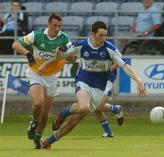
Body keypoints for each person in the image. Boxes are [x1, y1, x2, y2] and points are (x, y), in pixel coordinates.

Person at [11, 12, 121, 149]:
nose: (57, 29)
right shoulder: (37, 34)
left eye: (60, 26)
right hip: (36, 72)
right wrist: (27, 53)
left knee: (45, 115)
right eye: (55, 26)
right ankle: (33, 123)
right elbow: (15, 44)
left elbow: (73, 58)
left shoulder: (64, 38)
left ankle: (37, 140)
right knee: (38, 102)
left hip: (52, 77)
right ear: (49, 24)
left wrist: (63, 53)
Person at [39, 21, 147, 149]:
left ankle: (49, 141)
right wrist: (52, 58)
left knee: (76, 120)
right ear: (93, 34)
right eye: (100, 35)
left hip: (99, 87)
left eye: (105, 35)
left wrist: (139, 81)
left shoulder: (109, 48)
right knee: (84, 107)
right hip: (83, 80)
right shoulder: (81, 45)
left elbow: (125, 66)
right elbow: (62, 56)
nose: (103, 38)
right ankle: (62, 114)